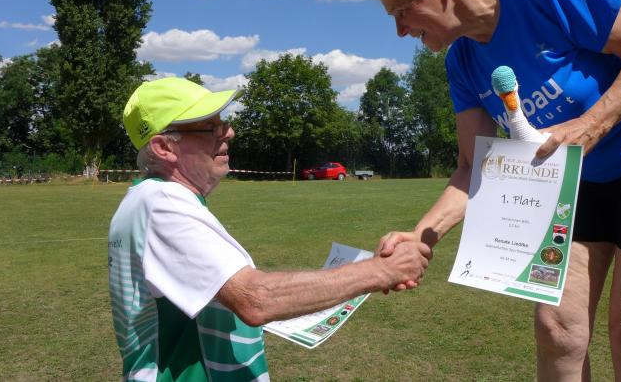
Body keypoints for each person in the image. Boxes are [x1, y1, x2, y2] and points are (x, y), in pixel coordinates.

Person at [364, 0, 621, 381]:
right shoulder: (461, 63)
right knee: (557, 328)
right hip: (573, 184)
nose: (400, 30)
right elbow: (474, 167)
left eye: (404, 12)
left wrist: (591, 125)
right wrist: (421, 236)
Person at [108, 77, 430, 381]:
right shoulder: (162, 202)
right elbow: (255, 298)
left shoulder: (149, 199)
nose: (229, 132)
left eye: (224, 121)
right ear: (164, 147)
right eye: (211, 126)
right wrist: (382, 270)